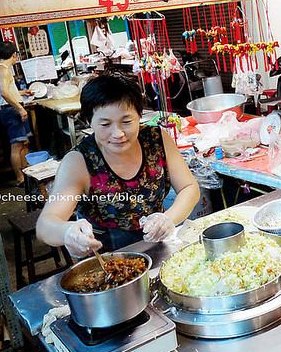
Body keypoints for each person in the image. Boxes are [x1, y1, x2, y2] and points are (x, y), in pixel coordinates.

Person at [36, 74, 199, 255]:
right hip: (107, 260)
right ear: (89, 122)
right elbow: (46, 225)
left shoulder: (156, 140)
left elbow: (189, 187)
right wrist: (67, 233)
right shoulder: (79, 161)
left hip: (158, 247)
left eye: (127, 122)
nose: (118, 133)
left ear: (139, 115)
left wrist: (168, 219)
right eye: (105, 124)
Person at [0, 41, 32, 187]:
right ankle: (20, 178)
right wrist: (20, 109)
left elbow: (7, 90)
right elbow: (4, 93)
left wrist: (21, 93)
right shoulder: (4, 70)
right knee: (17, 145)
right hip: (11, 110)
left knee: (24, 142)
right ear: (14, 55)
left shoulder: (0, 68)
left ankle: (27, 174)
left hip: (11, 108)